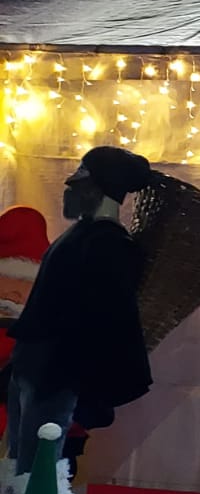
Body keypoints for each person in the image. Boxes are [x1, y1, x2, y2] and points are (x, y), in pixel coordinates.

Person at [5, 147, 154, 474]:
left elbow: (103, 320)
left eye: (81, 180)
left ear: (101, 186)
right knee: (21, 460)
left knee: (38, 468)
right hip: (33, 366)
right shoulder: (82, 234)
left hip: (55, 372)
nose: (69, 186)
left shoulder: (111, 246)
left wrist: (76, 379)